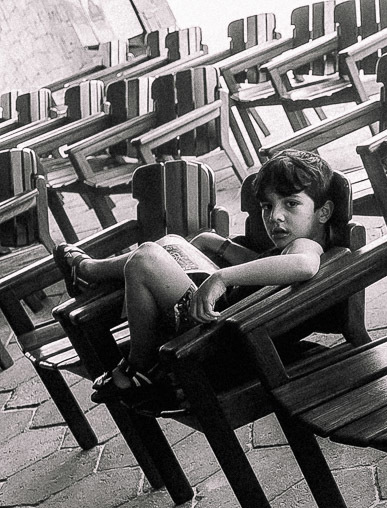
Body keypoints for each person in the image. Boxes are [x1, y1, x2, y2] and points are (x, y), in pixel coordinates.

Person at [54, 149, 336, 411]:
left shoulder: (306, 247)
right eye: (267, 206)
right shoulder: (293, 245)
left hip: (213, 334)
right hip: (216, 318)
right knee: (172, 242)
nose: (275, 216)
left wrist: (221, 278)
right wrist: (219, 244)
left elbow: (304, 265)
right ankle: (89, 272)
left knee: (145, 258)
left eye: (291, 204)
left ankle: (140, 366)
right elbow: (262, 268)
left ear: (323, 212)